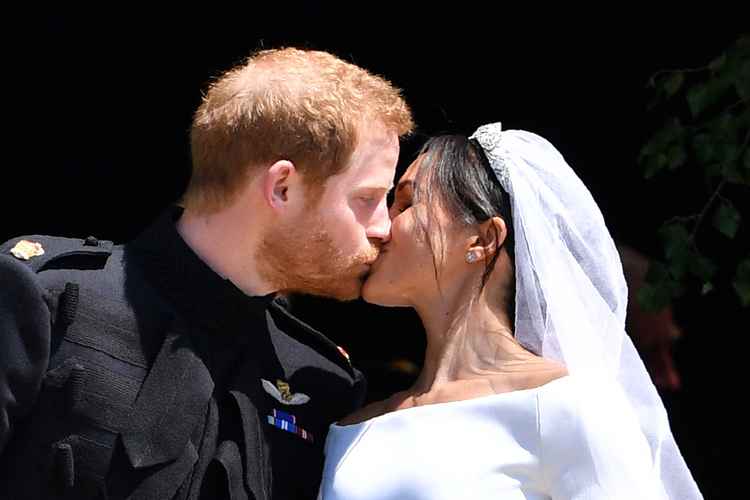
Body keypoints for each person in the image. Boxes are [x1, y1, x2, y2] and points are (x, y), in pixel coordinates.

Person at [0, 47, 413, 499]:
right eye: (367, 198)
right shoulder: (47, 300)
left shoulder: (322, 381)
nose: (383, 227)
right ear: (282, 188)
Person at [318, 123, 702, 499]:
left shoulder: (565, 409)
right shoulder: (353, 426)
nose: (380, 226)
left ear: (483, 240)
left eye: (407, 203)